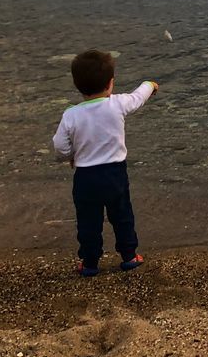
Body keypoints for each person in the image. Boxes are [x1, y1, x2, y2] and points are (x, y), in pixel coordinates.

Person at [52, 48, 158, 276]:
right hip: (115, 174)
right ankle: (130, 256)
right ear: (111, 83)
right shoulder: (117, 104)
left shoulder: (71, 115)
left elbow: (59, 148)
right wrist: (150, 85)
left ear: (77, 85)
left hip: (86, 177)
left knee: (88, 221)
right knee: (122, 215)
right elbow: (138, 97)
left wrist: (72, 155)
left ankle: (90, 263)